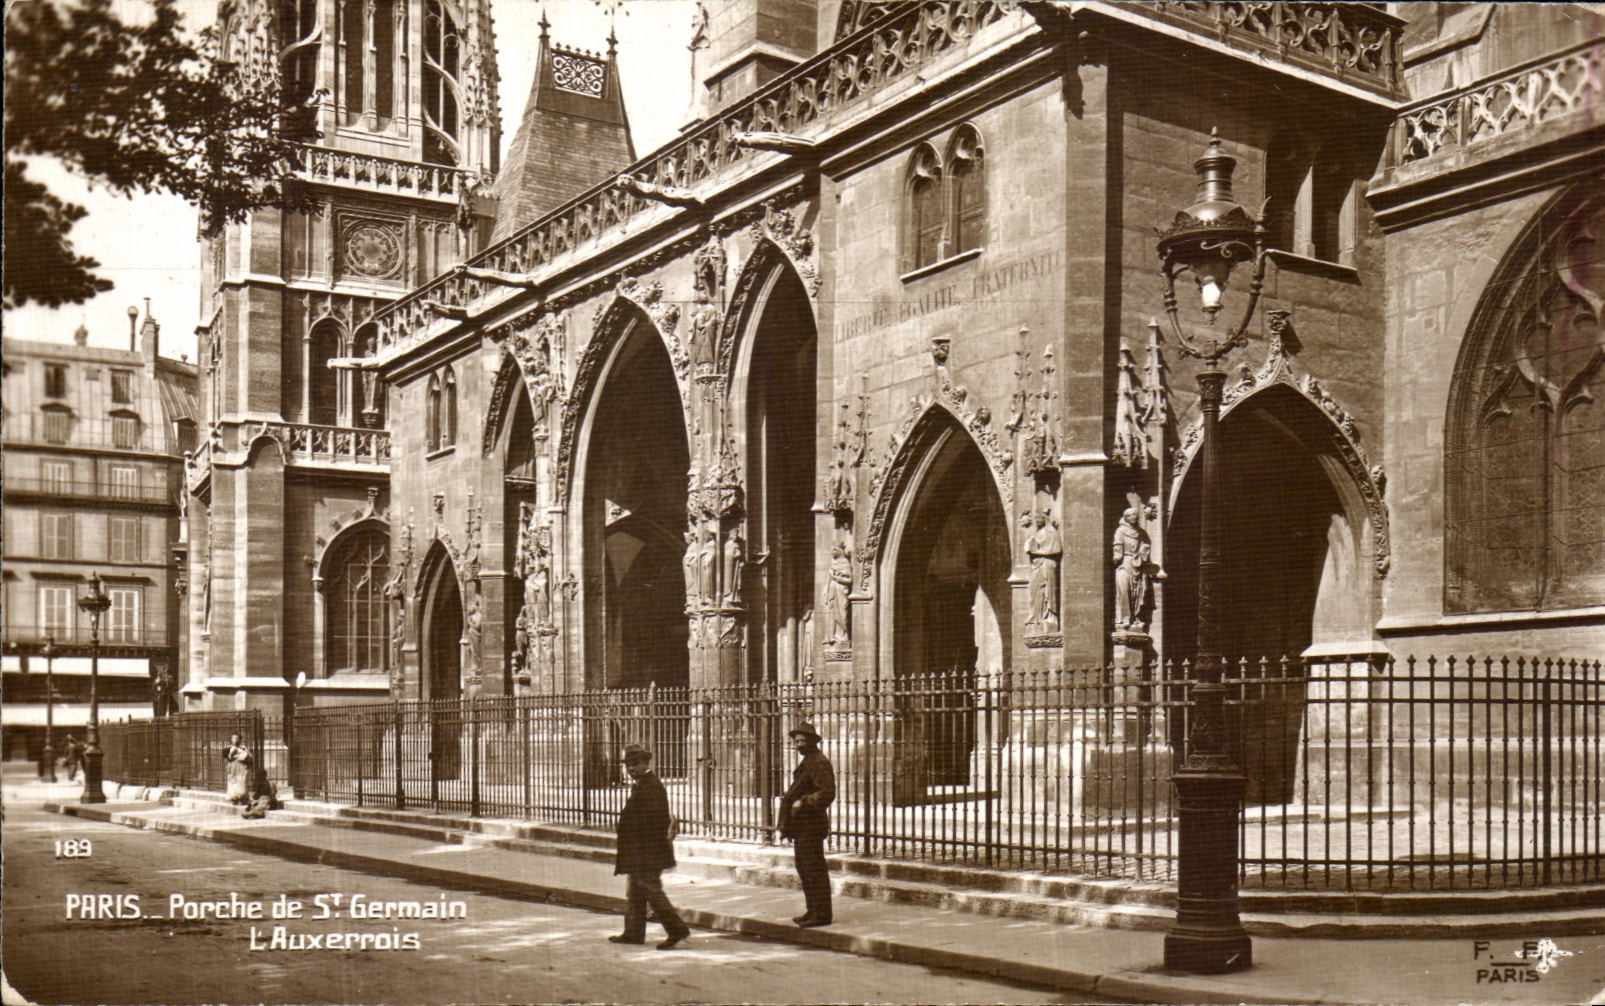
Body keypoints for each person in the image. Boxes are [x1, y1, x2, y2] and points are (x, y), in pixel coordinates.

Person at [611, 743, 691, 950]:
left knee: (652, 892)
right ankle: (633, 933)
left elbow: (653, 824)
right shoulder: (643, 785)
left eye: (635, 764)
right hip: (640, 851)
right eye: (628, 764)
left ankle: (677, 930)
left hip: (647, 852)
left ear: (646, 763)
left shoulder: (652, 787)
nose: (631, 769)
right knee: (635, 893)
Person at [779, 722, 835, 927]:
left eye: (804, 741)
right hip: (802, 825)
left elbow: (827, 793)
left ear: (813, 741)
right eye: (797, 741)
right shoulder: (809, 761)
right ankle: (812, 910)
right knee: (804, 869)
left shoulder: (819, 762)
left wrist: (803, 802)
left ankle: (821, 914)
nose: (800, 745)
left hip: (811, 824)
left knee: (814, 870)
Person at [224, 733, 252, 805]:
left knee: (242, 782)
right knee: (233, 783)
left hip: (241, 768)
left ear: (240, 739)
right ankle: (234, 799)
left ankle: (242, 798)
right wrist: (233, 754)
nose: (235, 740)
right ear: (231, 739)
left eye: (237, 738)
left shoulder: (243, 748)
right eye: (233, 738)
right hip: (233, 768)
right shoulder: (228, 748)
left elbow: (250, 756)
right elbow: (228, 757)